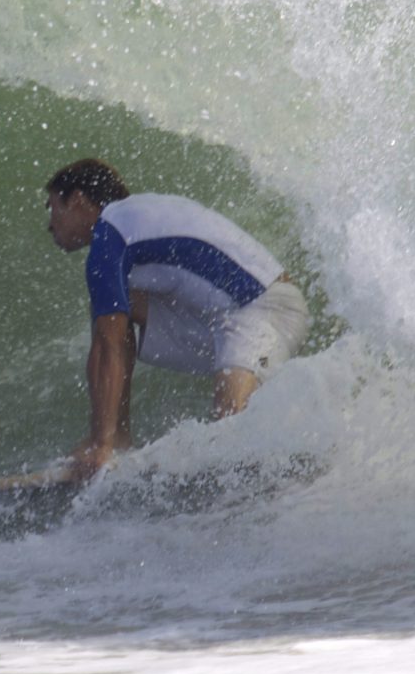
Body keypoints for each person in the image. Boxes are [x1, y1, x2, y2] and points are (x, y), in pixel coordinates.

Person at [43, 158, 310, 480]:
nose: (50, 223)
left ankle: (301, 455)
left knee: (232, 437)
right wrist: (105, 441)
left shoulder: (111, 232)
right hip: (216, 323)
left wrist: (97, 447)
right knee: (114, 310)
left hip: (266, 309)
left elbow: (107, 348)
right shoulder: (128, 222)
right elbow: (110, 335)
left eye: (53, 207)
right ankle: (119, 440)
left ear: (77, 200)